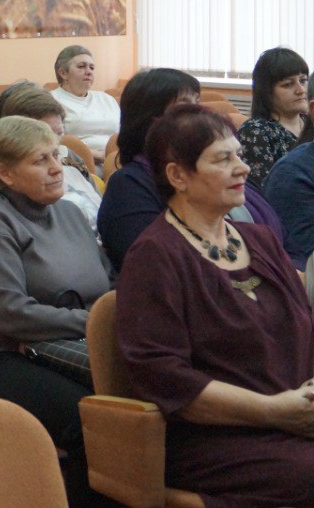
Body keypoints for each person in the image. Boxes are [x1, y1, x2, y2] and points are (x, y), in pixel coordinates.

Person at [118, 104, 314, 506]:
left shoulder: (259, 239)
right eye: (223, 159)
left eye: (239, 155)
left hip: (296, 415)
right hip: (215, 437)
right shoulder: (156, 256)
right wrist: (273, 411)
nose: (242, 168)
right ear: (178, 176)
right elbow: (164, 377)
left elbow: (305, 326)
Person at [0, 116, 113, 506]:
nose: (57, 168)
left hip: (70, 344)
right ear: (6, 173)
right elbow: (11, 314)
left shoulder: (70, 214)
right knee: (95, 420)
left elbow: (109, 283)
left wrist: (109, 321)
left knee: (145, 398)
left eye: (57, 155)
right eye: (41, 160)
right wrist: (94, 324)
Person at [96, 68, 282, 272]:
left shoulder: (227, 170)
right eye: (186, 107)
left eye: (198, 102)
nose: (200, 113)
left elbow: (286, 242)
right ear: (150, 119)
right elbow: (153, 268)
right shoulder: (129, 187)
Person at [0, 83, 101, 230]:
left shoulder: (71, 164)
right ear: (12, 133)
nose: (55, 146)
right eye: (45, 135)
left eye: (59, 134)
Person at [238, 47, 310, 189]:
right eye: (288, 84)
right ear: (266, 91)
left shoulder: (310, 121)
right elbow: (265, 190)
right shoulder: (255, 131)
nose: (300, 90)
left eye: (303, 80)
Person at [50, 45, 120, 163]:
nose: (88, 72)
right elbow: (53, 141)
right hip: (76, 162)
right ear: (63, 73)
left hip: (115, 160)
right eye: (81, 67)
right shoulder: (51, 100)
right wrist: (97, 155)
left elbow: (122, 134)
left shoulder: (107, 99)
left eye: (92, 68)